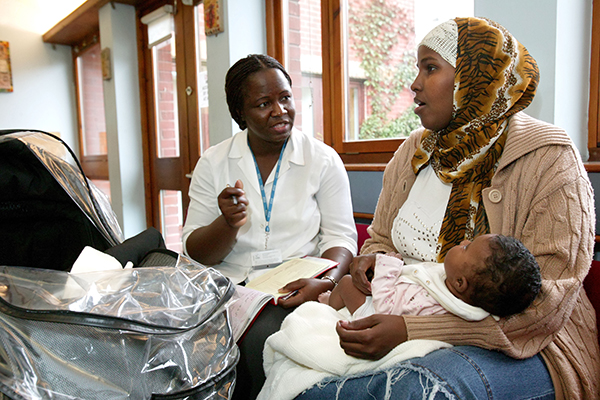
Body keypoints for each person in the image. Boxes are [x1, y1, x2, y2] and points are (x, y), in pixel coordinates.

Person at [297, 17, 600, 400]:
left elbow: (546, 306)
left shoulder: (548, 157)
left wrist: (412, 330)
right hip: (400, 316)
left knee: (421, 387)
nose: (415, 83)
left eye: (430, 67)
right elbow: (381, 241)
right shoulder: (414, 150)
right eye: (417, 68)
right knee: (294, 353)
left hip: (526, 345)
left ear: (476, 79)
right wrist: (369, 265)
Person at [181, 54, 358, 399]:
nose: (280, 110)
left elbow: (341, 236)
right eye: (264, 103)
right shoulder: (213, 162)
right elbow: (195, 251)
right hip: (230, 287)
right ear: (240, 113)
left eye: (285, 97)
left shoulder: (322, 160)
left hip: (294, 287)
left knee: (270, 342)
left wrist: (325, 281)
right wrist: (228, 224)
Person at [320, 234, 541, 320]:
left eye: (467, 248)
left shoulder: (433, 301)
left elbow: (385, 308)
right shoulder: (465, 295)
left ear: (460, 283)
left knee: (348, 283)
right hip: (390, 299)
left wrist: (389, 265)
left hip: (375, 315)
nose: (463, 242)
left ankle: (329, 303)